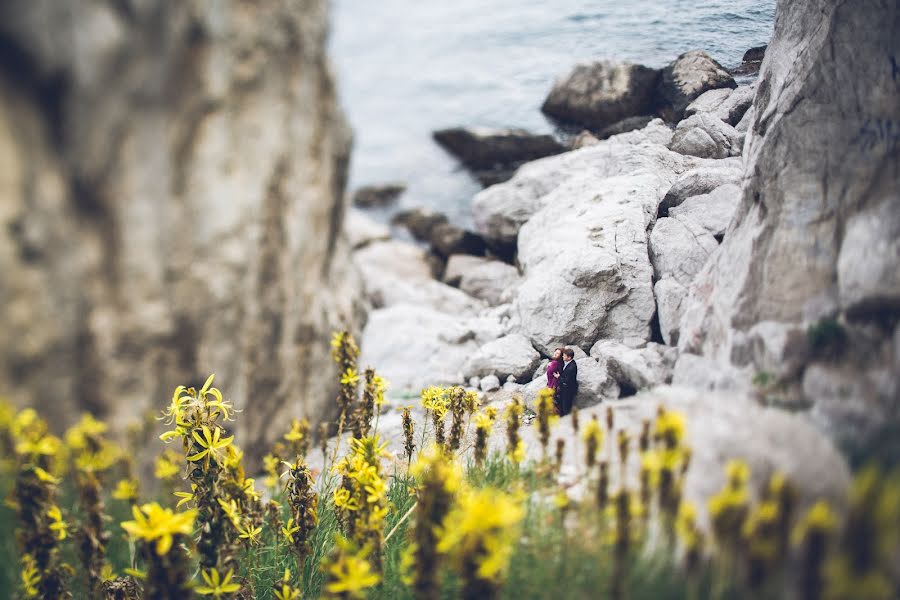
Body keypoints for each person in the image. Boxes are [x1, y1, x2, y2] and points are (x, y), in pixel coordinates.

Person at [556, 347, 578, 416]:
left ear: (569, 357)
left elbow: (566, 380)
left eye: (564, 356)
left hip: (568, 390)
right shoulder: (568, 363)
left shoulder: (571, 367)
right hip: (565, 388)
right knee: (562, 405)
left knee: (566, 406)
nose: (562, 356)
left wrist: (558, 377)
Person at [546, 347, 564, 414]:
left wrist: (548, 366)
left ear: (560, 356)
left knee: (551, 400)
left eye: (558, 353)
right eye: (555, 352)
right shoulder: (560, 363)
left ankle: (554, 414)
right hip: (554, 383)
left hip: (553, 384)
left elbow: (549, 372)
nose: (555, 354)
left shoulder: (555, 363)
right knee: (554, 400)